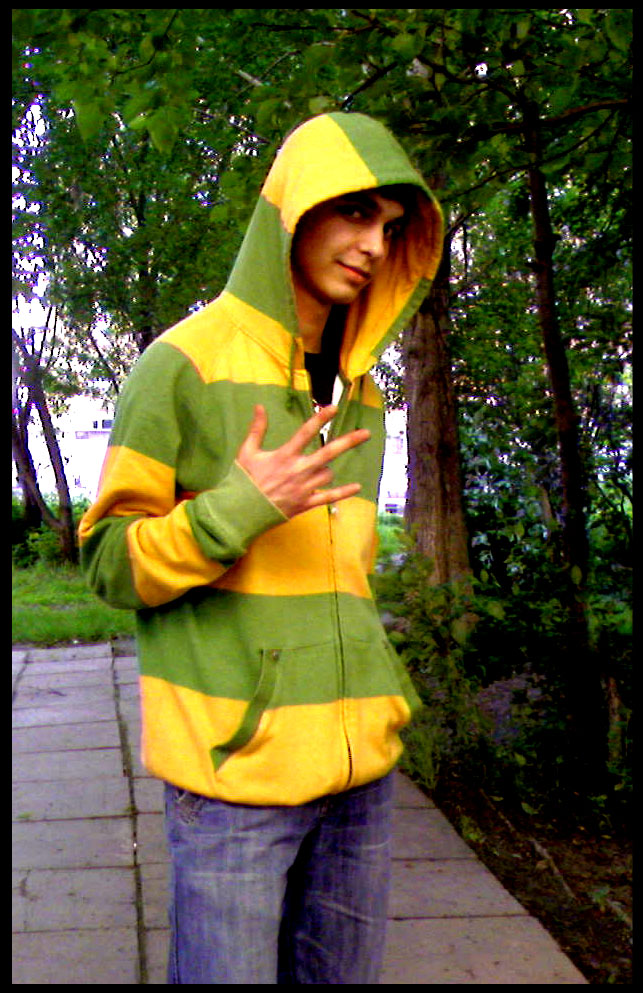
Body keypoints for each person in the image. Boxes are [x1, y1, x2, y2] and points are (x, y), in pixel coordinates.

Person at [79, 111, 443, 984]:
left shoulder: (362, 391)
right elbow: (108, 563)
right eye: (353, 211)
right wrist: (236, 510)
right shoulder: (181, 364)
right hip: (234, 781)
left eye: (391, 227)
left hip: (359, 776)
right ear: (293, 209)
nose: (372, 244)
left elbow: (341, 575)